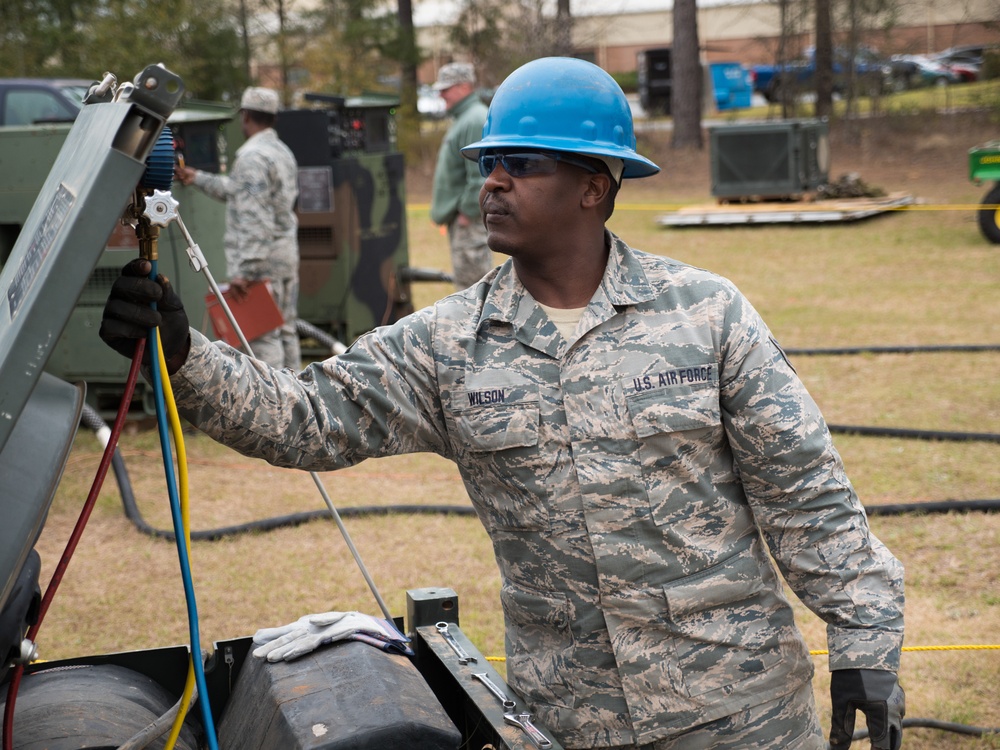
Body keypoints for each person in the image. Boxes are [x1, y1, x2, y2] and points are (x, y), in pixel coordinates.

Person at [101, 57, 905, 750]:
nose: (491, 181)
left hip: (741, 712)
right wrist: (183, 354)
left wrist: (865, 645)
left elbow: (806, 493)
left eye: (522, 164)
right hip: (570, 720)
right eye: (491, 162)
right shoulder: (448, 343)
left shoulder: (705, 314)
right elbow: (303, 419)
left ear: (595, 186)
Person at [175, 86, 301, 370]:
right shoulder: (281, 152)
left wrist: (246, 270)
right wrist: (198, 178)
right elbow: (240, 191)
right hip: (285, 257)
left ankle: (275, 408)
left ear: (245, 117)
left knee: (262, 338)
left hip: (262, 263)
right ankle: (300, 401)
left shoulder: (252, 158)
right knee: (287, 331)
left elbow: (254, 216)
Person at [428, 61, 495, 289]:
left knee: (473, 289)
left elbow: (480, 175)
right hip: (464, 220)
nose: (441, 93)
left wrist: (467, 213)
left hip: (470, 221)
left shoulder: (475, 118)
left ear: (465, 87)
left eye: (446, 88)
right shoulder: (465, 118)